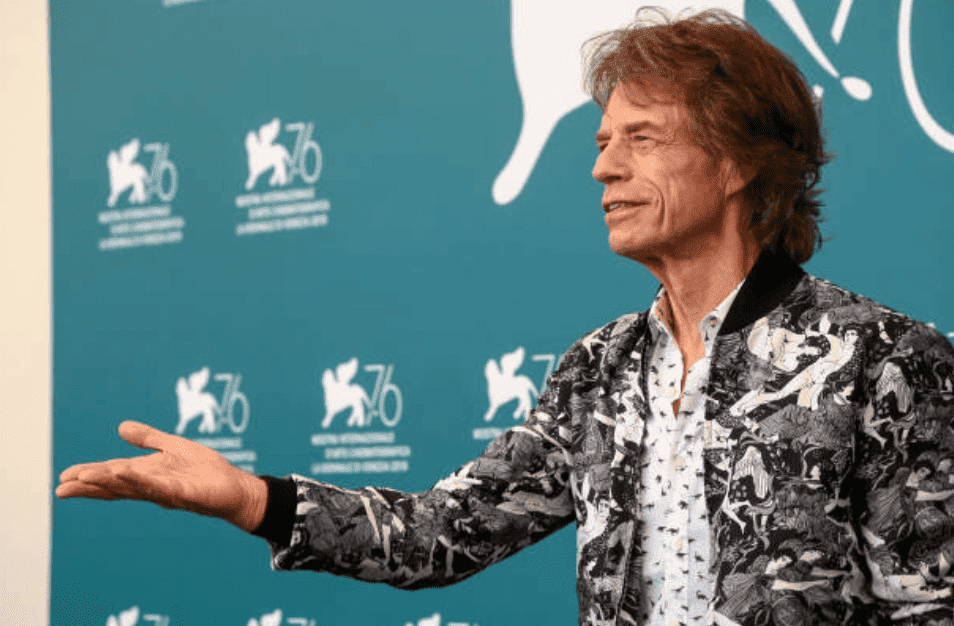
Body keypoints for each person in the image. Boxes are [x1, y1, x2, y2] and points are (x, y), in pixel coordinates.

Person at [56, 6, 954, 626]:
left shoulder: (882, 360)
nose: (603, 168)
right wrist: (255, 501)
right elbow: (442, 535)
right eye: (602, 142)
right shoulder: (599, 371)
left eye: (641, 139)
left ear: (739, 164)